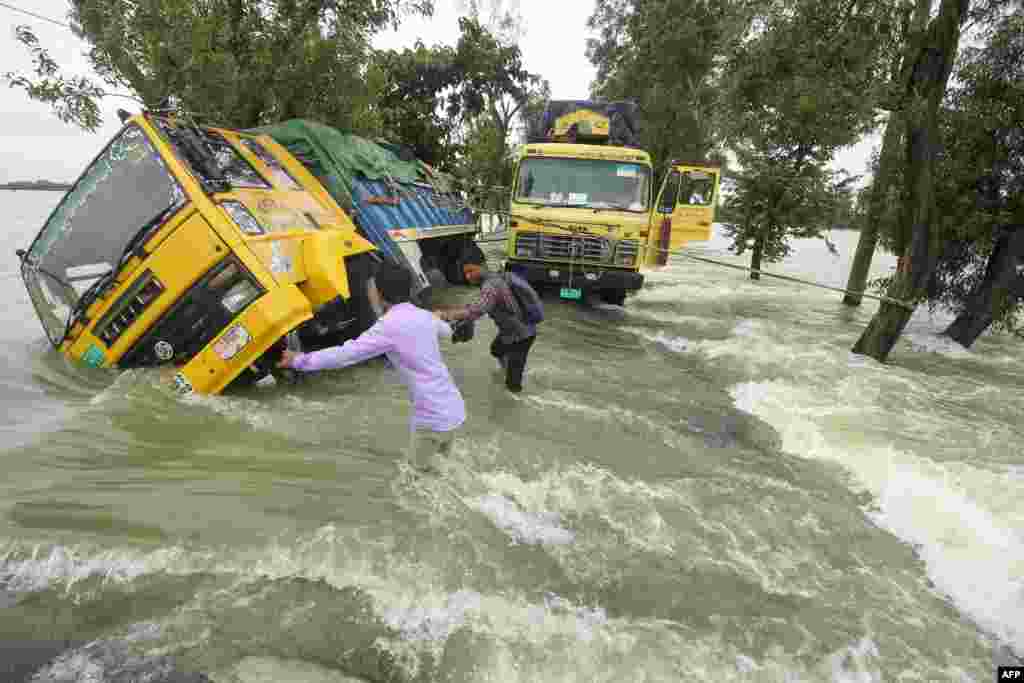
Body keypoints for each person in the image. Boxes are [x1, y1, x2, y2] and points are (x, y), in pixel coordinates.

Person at [277, 261, 465, 473]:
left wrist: (299, 360)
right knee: (441, 473)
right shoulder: (423, 315)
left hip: (431, 418)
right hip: (453, 410)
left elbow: (345, 355)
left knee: (414, 479)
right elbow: (447, 332)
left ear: (379, 293)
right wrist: (438, 318)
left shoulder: (388, 326)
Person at [437, 264, 538, 394]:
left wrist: (447, 314)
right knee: (496, 350)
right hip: (510, 331)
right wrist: (464, 319)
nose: (468, 276)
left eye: (471, 271)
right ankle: (507, 371)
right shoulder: (492, 279)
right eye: (465, 273)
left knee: (513, 386)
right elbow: (480, 306)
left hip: (522, 335)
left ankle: (514, 402)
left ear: (481, 267)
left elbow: (479, 309)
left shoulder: (490, 285)